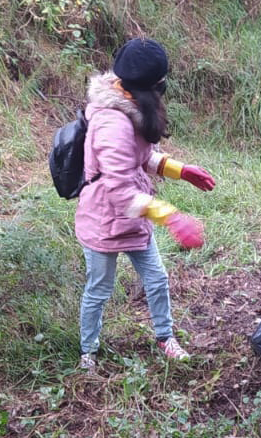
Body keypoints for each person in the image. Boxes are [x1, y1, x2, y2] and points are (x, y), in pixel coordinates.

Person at [74, 38, 215, 371]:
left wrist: (180, 170)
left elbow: (142, 156)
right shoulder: (112, 123)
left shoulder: (129, 104)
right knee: (100, 288)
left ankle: (165, 338)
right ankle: (87, 352)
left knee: (157, 280)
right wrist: (172, 217)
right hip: (103, 222)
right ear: (152, 85)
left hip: (134, 219)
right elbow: (119, 189)